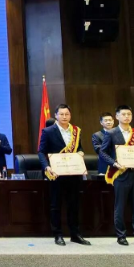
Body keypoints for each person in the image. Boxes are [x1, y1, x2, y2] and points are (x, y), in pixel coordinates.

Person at [99, 105, 134, 246]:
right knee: (120, 206)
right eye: (123, 114)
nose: (127, 117)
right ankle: (121, 235)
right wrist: (114, 163)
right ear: (117, 116)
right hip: (121, 174)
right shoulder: (111, 133)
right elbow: (103, 152)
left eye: (129, 114)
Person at [38, 103, 91, 246]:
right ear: (56, 115)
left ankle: (75, 234)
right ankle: (58, 234)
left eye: (67, 114)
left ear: (70, 115)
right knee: (56, 205)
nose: (64, 116)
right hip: (56, 173)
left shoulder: (76, 131)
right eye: (61, 114)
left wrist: (81, 152)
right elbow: (41, 152)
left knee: (74, 205)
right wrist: (47, 166)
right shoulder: (48, 131)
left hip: (74, 173)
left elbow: (79, 147)